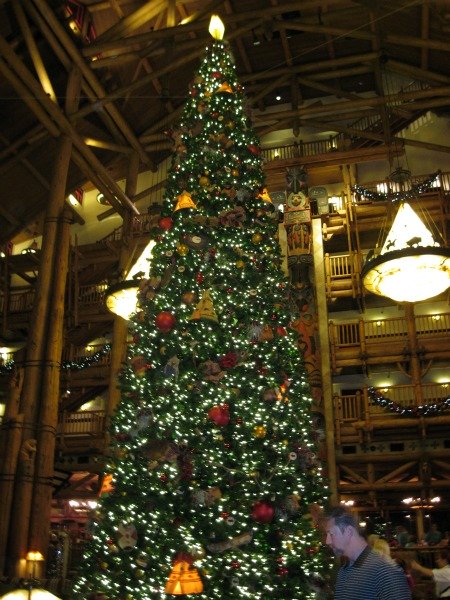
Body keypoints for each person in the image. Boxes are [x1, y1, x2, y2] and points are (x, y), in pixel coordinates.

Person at [324, 506, 412, 599]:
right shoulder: (344, 570)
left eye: (331, 534)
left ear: (349, 531)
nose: (327, 541)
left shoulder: (385, 571)